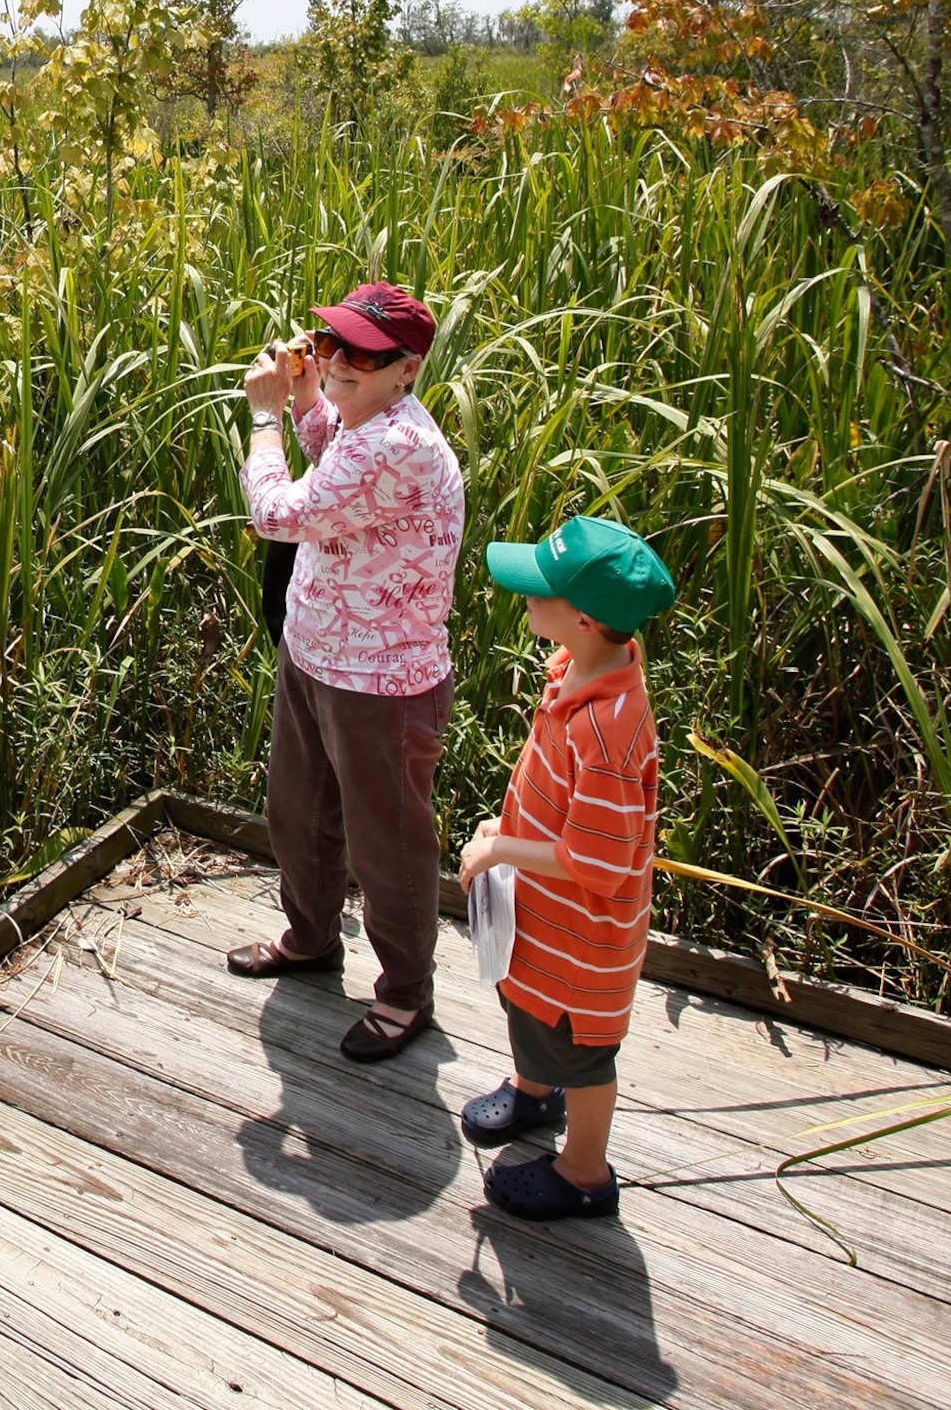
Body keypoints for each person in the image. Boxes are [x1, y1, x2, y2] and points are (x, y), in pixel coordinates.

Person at [228, 282, 466, 1063]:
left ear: (409, 368)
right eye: (328, 343)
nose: (336, 361)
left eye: (361, 354)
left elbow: (280, 515)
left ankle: (404, 995)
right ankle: (311, 937)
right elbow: (335, 446)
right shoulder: (370, 423)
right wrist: (306, 399)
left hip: (382, 681)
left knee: (387, 842)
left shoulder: (398, 445)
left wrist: (264, 416)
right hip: (318, 651)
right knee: (298, 808)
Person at [454, 515, 678, 1220]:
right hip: (543, 922)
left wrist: (498, 850)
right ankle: (532, 1088)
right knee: (529, 1010)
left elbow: (601, 861)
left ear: (581, 618)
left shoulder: (609, 730)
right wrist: (508, 826)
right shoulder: (577, 671)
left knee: (579, 1050)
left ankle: (585, 1168)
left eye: (537, 589)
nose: (522, 595)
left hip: (582, 943)